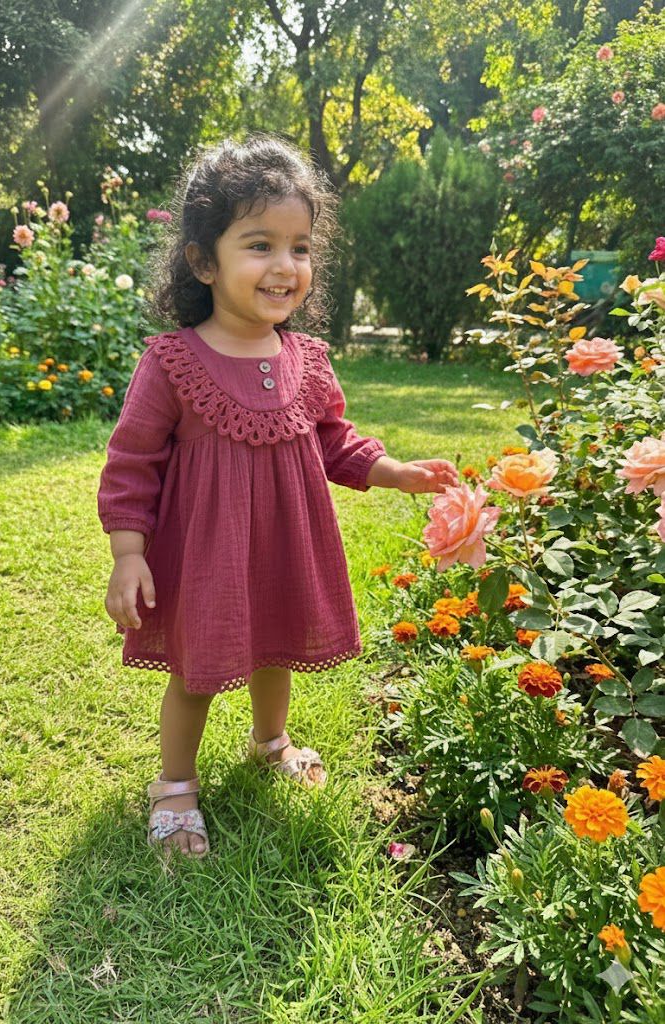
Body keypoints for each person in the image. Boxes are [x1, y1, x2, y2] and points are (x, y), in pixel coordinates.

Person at [97, 133, 458, 864]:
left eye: (300, 247)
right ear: (204, 261)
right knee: (197, 667)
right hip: (205, 554)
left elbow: (333, 441)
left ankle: (271, 741)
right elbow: (132, 464)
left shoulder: (308, 360)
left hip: (285, 544)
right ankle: (174, 785)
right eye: (259, 245)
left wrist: (394, 470)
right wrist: (128, 554)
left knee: (278, 643)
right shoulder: (172, 361)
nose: (284, 265)